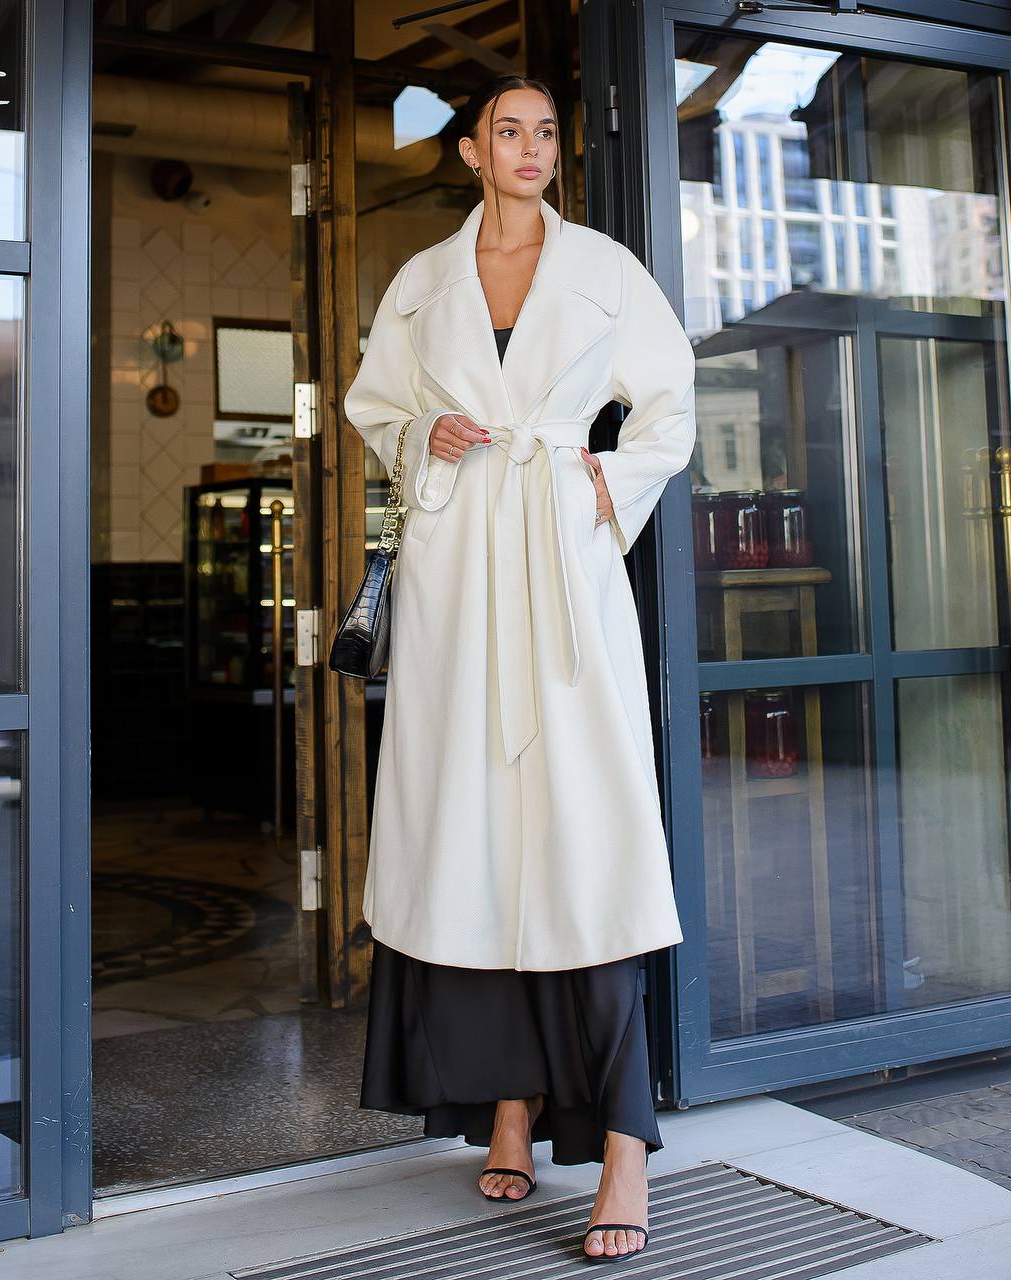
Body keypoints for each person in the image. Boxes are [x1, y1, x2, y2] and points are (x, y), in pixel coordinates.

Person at [343, 73, 697, 1261]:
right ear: (471, 152)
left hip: (561, 561)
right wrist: (417, 435)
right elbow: (373, 405)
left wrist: (606, 482)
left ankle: (624, 1152)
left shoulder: (605, 270)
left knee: (589, 838)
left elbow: (670, 403)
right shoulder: (420, 281)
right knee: (472, 839)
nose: (533, 147)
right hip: (454, 572)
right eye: (511, 131)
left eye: (546, 131)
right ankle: (504, 1107)